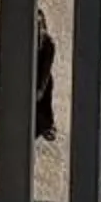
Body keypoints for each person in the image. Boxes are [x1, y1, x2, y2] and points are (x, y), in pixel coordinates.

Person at [35, 9, 59, 142]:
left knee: (44, 103)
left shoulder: (48, 44)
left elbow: (46, 68)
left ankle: (48, 126)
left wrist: (41, 88)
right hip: (29, 76)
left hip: (42, 78)